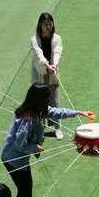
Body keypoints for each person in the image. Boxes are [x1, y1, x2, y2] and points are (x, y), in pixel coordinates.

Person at [0, 83, 95, 197]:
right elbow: (20, 144)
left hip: (19, 158)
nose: (49, 99)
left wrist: (79, 112)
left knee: (26, 189)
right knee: (24, 190)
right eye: (47, 97)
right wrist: (35, 148)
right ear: (40, 99)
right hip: (13, 159)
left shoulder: (37, 110)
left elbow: (56, 112)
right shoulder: (27, 118)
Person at [30, 12, 64, 140]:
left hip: (52, 71)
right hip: (39, 72)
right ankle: (40, 127)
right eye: (45, 24)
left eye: (50, 23)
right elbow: (39, 54)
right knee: (39, 100)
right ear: (40, 25)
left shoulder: (57, 38)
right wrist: (46, 64)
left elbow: (57, 51)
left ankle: (57, 128)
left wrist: (54, 64)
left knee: (54, 100)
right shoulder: (34, 39)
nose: (48, 26)